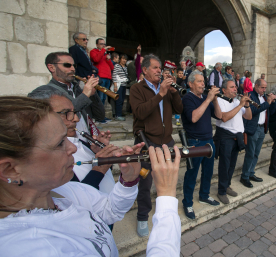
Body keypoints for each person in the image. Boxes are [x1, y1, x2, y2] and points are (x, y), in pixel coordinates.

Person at [0, 96, 182, 256]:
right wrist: (166, 195)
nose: (72, 148)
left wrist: (128, 180)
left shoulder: (59, 191)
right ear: (10, 169)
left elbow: (109, 210)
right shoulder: (29, 248)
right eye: (59, 144)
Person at [129, 54, 183, 237]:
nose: (160, 71)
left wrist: (173, 92)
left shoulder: (166, 88)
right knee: (145, 181)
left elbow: (180, 110)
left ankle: (166, 212)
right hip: (147, 142)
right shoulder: (137, 88)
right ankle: (142, 216)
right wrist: (160, 93)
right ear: (144, 70)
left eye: (160, 68)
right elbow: (140, 112)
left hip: (166, 141)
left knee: (168, 178)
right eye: (155, 68)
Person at [29, 90, 116, 195]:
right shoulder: (47, 158)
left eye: (75, 113)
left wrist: (102, 154)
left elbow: (106, 175)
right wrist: (99, 170)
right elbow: (75, 198)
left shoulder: (81, 142)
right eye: (66, 113)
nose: (76, 119)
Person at [28, 52, 105, 141]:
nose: (72, 69)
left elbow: (100, 116)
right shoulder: (44, 91)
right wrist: (85, 95)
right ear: (51, 67)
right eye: (67, 65)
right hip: (65, 146)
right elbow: (66, 114)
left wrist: (92, 94)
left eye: (74, 66)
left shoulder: (78, 89)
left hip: (86, 144)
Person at [181, 71, 222, 219]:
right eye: (199, 81)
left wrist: (215, 100)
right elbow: (193, 118)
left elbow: (219, 116)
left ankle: (204, 195)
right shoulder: (187, 98)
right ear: (190, 84)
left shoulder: (206, 98)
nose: (203, 84)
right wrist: (208, 100)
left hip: (209, 140)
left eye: (203, 81)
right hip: (194, 142)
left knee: (208, 172)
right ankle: (187, 202)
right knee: (192, 174)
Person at [214, 80, 252, 204]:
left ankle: (227, 185)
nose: (235, 89)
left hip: (237, 137)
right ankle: (221, 191)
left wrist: (246, 105)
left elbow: (248, 117)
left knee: (232, 164)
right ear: (224, 90)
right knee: (224, 165)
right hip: (225, 137)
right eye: (232, 87)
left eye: (235, 87)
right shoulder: (220, 100)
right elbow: (224, 117)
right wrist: (240, 105)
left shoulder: (236, 101)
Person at [240, 79, 276, 188]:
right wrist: (268, 102)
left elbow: (271, 112)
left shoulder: (264, 97)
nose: (264, 90)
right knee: (250, 153)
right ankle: (244, 177)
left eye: (265, 88)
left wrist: (272, 102)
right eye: (262, 87)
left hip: (262, 128)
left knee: (256, 153)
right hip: (253, 128)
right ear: (256, 86)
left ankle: (251, 173)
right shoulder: (250, 95)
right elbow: (254, 111)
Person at [90, 38, 114, 109]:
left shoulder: (104, 54)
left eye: (104, 44)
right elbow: (96, 59)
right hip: (100, 77)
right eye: (101, 44)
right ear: (97, 45)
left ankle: (102, 115)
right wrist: (103, 50)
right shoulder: (93, 51)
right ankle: (99, 116)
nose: (103, 46)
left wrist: (108, 59)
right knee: (100, 97)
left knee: (104, 98)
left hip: (108, 78)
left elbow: (112, 67)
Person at [112, 54, 129, 121]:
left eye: (125, 59)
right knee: (119, 100)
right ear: (120, 59)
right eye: (123, 59)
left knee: (122, 100)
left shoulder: (126, 67)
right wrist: (115, 85)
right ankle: (117, 115)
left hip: (124, 85)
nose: (124, 60)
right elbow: (114, 76)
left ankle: (119, 113)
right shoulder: (117, 66)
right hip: (119, 85)